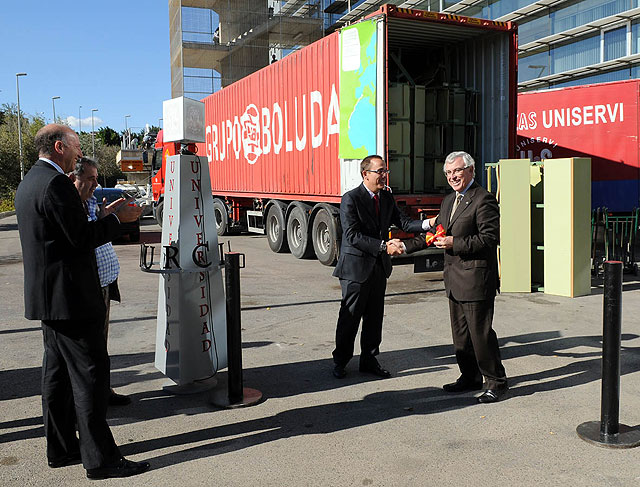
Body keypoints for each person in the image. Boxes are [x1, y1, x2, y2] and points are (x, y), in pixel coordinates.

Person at [14, 124, 150, 478]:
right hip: (72, 300)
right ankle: (100, 460)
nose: (78, 153)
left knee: (56, 379)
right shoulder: (55, 183)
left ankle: (61, 449)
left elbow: (61, 237)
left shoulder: (30, 181)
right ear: (59, 147)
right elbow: (80, 238)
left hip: (50, 301)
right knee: (89, 379)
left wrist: (105, 218)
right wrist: (118, 221)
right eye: (75, 146)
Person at [402, 151, 508, 403]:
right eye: (448, 173)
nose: (452, 177)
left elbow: (489, 238)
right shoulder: (449, 201)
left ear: (470, 170)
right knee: (461, 336)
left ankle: (497, 381)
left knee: (480, 335)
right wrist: (406, 247)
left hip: (475, 279)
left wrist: (455, 242)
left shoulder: (484, 200)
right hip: (454, 278)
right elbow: (436, 233)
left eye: (457, 171)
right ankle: (469, 377)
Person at [332, 155, 429, 379]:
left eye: (385, 171)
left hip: (378, 267)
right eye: (380, 171)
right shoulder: (351, 199)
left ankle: (369, 358)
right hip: (356, 268)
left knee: (374, 317)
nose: (384, 176)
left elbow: (404, 223)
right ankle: (341, 360)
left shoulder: (385, 197)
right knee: (350, 317)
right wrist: (384, 246)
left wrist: (428, 224)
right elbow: (352, 235)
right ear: (365, 174)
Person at [69, 157, 130, 406]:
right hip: (86, 288)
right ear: (74, 178)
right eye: (90, 179)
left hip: (104, 283)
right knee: (87, 350)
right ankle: (88, 401)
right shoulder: (69, 205)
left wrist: (105, 215)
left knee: (100, 346)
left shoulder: (90, 201)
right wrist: (113, 221)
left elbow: (96, 233)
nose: (95, 184)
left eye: (97, 178)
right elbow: (83, 239)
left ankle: (103, 391)